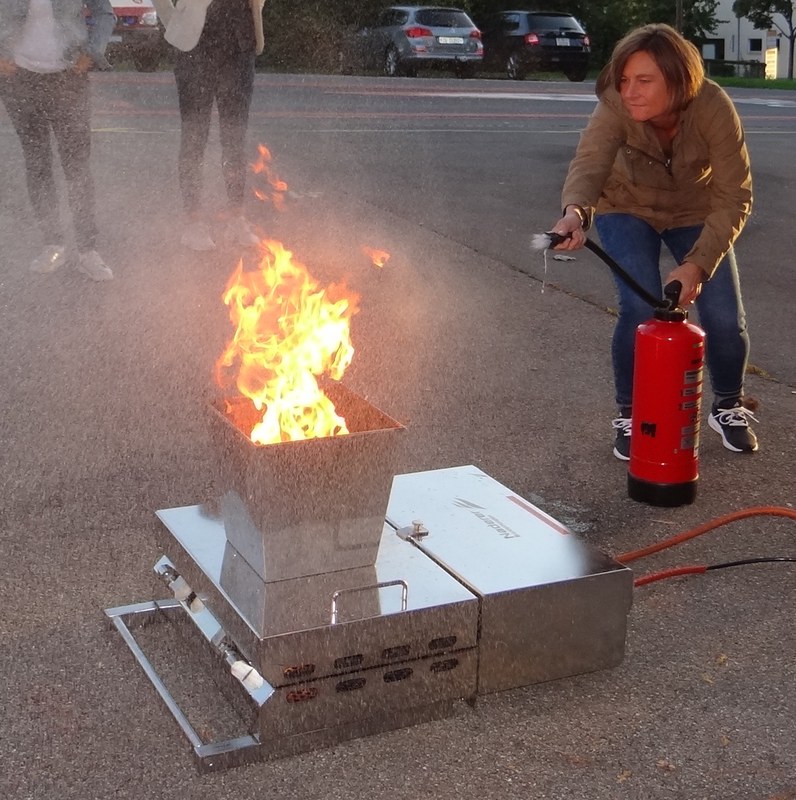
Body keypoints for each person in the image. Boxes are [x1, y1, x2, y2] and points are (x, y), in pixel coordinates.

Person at [549, 23, 757, 460]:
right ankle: (630, 412)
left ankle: (727, 404)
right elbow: (590, 162)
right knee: (642, 308)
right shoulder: (615, 106)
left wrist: (697, 264)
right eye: (625, 80)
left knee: (723, 316)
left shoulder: (713, 106)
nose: (629, 91)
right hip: (627, 206)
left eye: (644, 80)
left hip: (694, 211)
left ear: (678, 79)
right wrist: (575, 212)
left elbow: (735, 195)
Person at [0, 0, 115, 280]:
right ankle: (53, 243)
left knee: (77, 167)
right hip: (19, 80)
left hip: (68, 77)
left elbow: (104, 12)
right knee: (37, 164)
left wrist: (93, 51)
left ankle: (87, 250)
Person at [153, 0, 266, 251]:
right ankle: (193, 222)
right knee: (194, 138)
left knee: (235, 140)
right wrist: (173, 21)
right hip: (196, 47)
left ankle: (236, 219)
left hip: (240, 45)